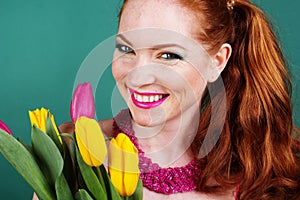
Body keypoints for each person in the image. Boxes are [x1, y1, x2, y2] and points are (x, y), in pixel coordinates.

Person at [59, 0, 300, 199]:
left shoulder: (256, 176)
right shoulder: (71, 152)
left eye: (168, 55)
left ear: (216, 61)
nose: (138, 77)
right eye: (127, 50)